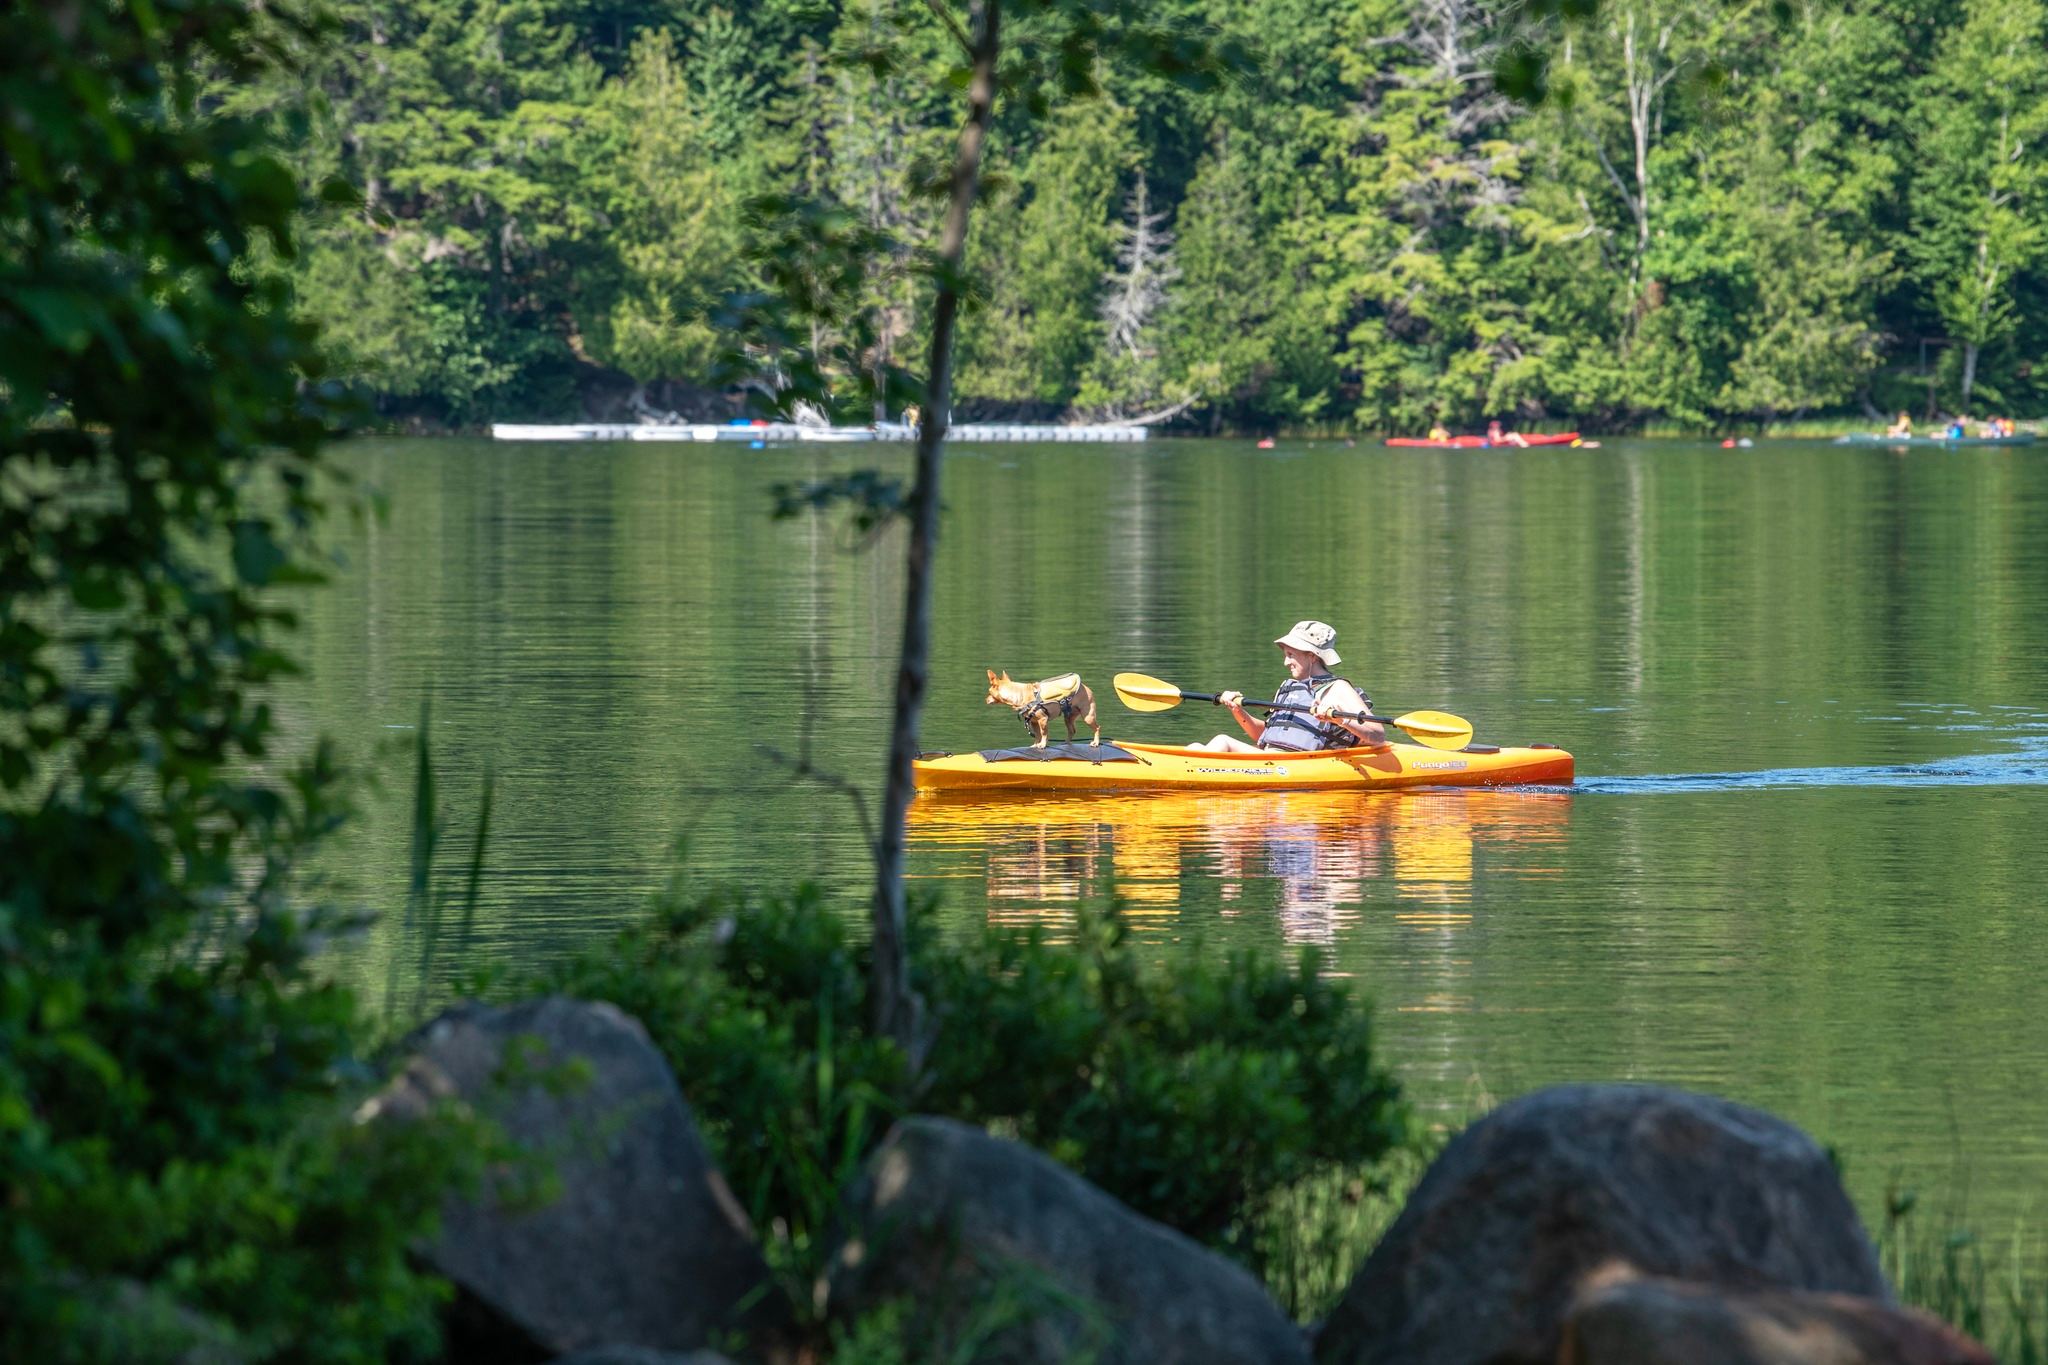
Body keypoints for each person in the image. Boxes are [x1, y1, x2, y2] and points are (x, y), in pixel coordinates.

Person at [1192, 621, 1385, 753]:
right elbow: (1263, 736)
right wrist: (1238, 711)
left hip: (1302, 765)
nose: (1286, 662)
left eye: (1291, 655)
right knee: (1194, 747)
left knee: (1222, 741)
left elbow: (1377, 735)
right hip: (1274, 761)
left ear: (1312, 655)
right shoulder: (1290, 689)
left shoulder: (1338, 688)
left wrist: (1341, 720)